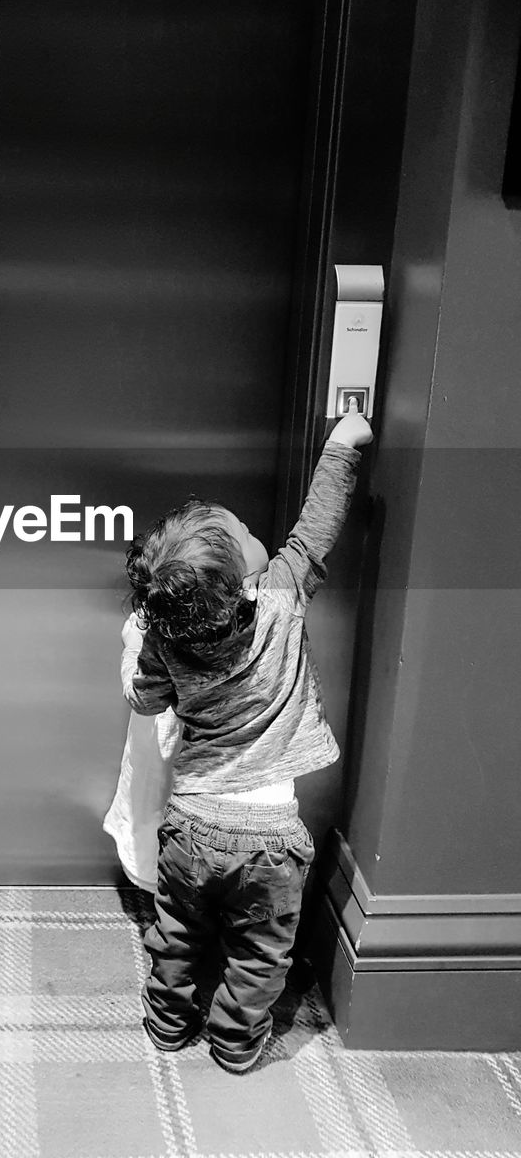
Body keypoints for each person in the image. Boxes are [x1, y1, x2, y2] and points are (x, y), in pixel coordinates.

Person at [121, 401, 372, 1072]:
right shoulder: (282, 597)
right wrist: (344, 443)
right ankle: (235, 1042)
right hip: (270, 835)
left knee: (176, 933)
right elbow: (315, 530)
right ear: (242, 581)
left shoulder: (162, 635)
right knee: (261, 952)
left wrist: (156, 665)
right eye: (244, 530)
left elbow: (146, 698)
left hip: (191, 824)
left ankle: (168, 1023)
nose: (254, 528)